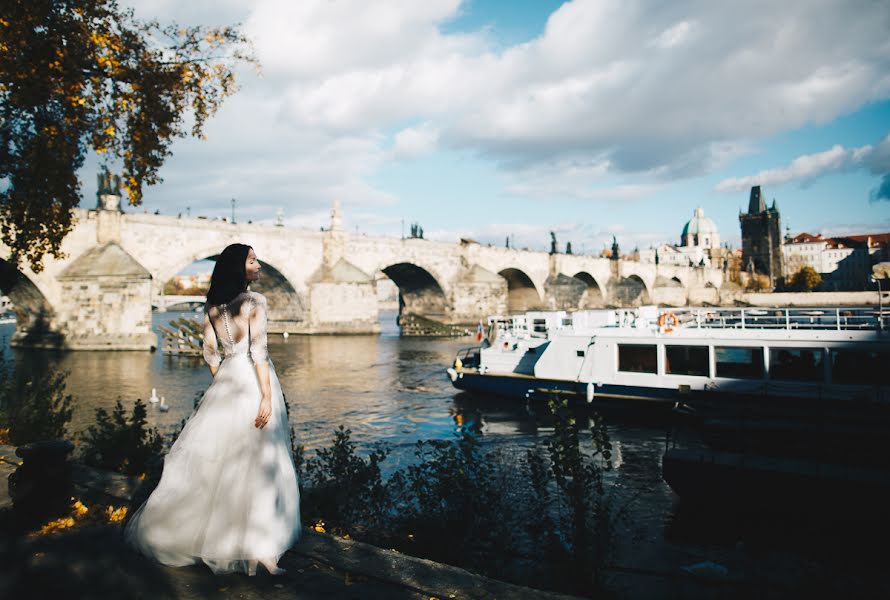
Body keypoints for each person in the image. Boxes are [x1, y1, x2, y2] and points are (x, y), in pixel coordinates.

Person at [125, 244, 301, 576]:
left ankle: (221, 536)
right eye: (252, 260)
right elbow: (259, 353)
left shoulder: (212, 305)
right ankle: (261, 551)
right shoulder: (254, 302)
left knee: (221, 461)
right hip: (253, 379)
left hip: (229, 382)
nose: (259, 264)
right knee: (263, 461)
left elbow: (209, 353)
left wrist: (224, 383)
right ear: (240, 268)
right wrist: (264, 396)